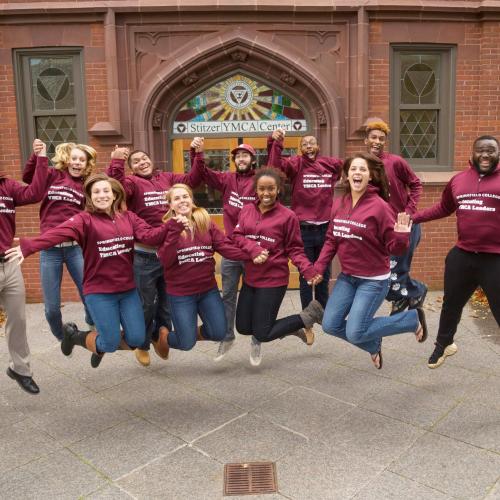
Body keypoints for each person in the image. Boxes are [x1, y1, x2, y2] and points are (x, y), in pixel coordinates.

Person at [6, 173, 169, 368]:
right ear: (89, 197)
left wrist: (173, 225)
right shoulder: (84, 220)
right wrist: (28, 246)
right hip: (100, 292)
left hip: (128, 291)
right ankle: (75, 337)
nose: (102, 195)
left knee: (136, 338)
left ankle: (96, 345)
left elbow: (150, 236)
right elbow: (58, 233)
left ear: (114, 194)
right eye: (96, 192)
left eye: (106, 191)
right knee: (109, 343)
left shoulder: (129, 217)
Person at [314, 153, 428, 369]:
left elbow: (394, 249)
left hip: (373, 281)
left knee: (355, 331)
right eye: (353, 169)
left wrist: (402, 234)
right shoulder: (339, 204)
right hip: (348, 278)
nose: (357, 173)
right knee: (329, 325)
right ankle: (373, 343)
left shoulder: (380, 207)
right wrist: (319, 266)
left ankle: (411, 320)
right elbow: (331, 239)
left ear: (370, 176)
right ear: (347, 175)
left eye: (362, 170)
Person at [106, 147, 203, 366]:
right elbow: (117, 187)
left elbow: (193, 179)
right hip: (145, 255)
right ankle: (141, 343)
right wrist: (117, 162)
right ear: (132, 167)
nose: (141, 162)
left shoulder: (167, 177)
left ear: (151, 160)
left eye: (144, 158)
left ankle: (162, 336)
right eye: (136, 161)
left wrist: (198, 155)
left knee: (167, 301)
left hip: (171, 252)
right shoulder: (131, 183)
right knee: (146, 303)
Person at [412, 135, 500, 368]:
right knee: (451, 304)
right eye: (481, 150)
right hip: (463, 255)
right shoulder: (458, 180)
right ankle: (443, 345)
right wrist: (414, 218)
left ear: (497, 153)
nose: (485, 155)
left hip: (495, 259)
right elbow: (443, 208)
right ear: (472, 153)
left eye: (490, 150)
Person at [152, 184, 266, 359]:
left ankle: (187, 332)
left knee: (219, 332)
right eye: (177, 198)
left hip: (207, 291)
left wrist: (251, 253)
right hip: (181, 294)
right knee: (186, 344)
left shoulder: (204, 221)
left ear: (191, 200)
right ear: (170, 205)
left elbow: (225, 247)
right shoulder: (166, 228)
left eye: (185, 196)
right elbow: (165, 261)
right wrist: (175, 230)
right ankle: (164, 337)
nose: (182, 201)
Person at [232, 167, 324, 367]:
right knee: (242, 327)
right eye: (262, 189)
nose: (266, 193)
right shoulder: (246, 210)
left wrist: (308, 270)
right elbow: (237, 236)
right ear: (255, 190)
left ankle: (310, 315)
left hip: (273, 280)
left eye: (271, 189)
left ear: (278, 189)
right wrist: (253, 248)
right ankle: (287, 327)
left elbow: (295, 249)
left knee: (262, 333)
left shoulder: (288, 216)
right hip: (250, 279)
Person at [189, 137, 259, 361]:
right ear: (234, 160)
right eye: (237, 156)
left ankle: (257, 340)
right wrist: (197, 154)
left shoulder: (260, 179)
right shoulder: (227, 179)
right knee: (227, 295)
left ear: (252, 159)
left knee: (256, 296)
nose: (241, 158)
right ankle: (227, 337)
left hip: (252, 250)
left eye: (245, 155)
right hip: (230, 249)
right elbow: (203, 174)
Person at [22, 139, 95, 340]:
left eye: (82, 160)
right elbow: (29, 177)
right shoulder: (53, 175)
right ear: (68, 160)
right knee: (52, 308)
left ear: (87, 165)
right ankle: (63, 338)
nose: (78, 162)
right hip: (49, 251)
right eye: (75, 158)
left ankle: (91, 322)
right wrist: (37, 156)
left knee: (89, 294)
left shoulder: (87, 186)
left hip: (74, 249)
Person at [267, 128, 343, 310]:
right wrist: (276, 144)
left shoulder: (329, 164)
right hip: (304, 229)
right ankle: (308, 314)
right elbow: (276, 168)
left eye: (312, 143)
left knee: (323, 272)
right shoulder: (296, 164)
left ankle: (323, 311)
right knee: (305, 273)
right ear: (300, 148)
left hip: (325, 228)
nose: (308, 146)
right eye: (304, 144)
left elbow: (344, 167)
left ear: (318, 146)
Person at [364, 120, 427, 314]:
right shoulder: (362, 166)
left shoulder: (396, 162)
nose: (377, 141)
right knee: (381, 271)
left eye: (381, 139)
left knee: (395, 271)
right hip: (381, 230)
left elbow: (416, 184)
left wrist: (408, 212)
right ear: (366, 140)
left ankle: (417, 290)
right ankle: (401, 299)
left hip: (404, 226)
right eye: (373, 137)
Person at [1, 144, 49, 393]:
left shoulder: (6, 187)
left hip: (8, 263)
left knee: (17, 319)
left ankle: (20, 369)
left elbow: (35, 193)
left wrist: (40, 158)